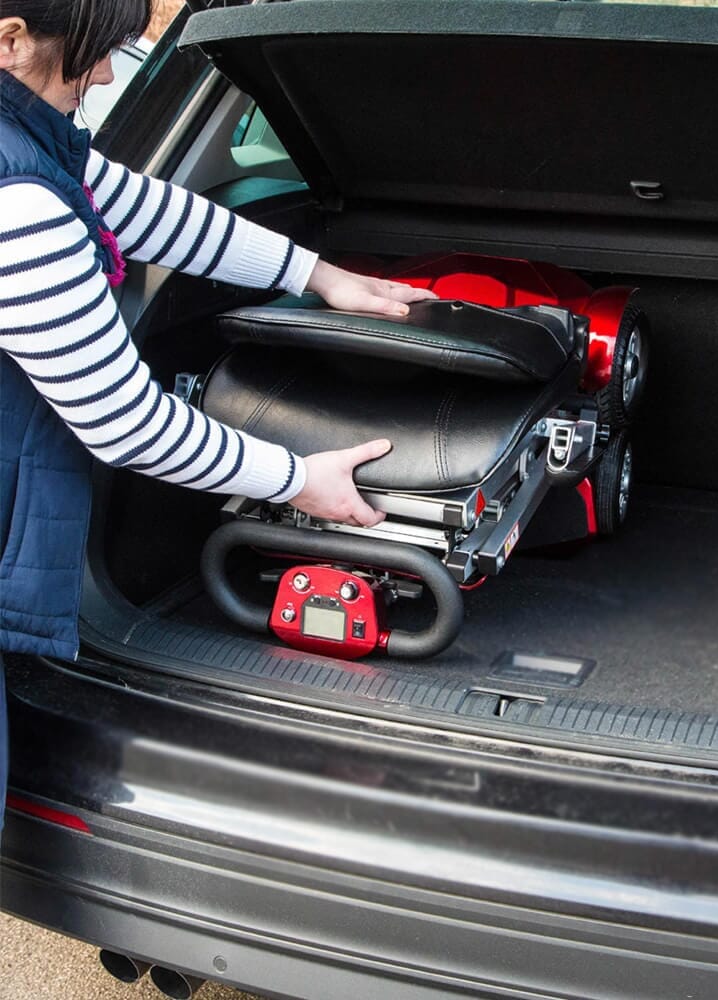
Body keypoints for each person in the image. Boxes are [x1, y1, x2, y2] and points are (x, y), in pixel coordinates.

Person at [0, 0, 436, 829]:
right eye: (93, 55)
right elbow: (122, 419)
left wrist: (321, 277)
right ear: (11, 40)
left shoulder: (27, 144)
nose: (102, 77)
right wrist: (298, 478)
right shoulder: (15, 201)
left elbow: (148, 209)